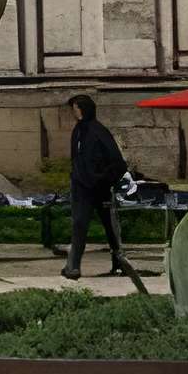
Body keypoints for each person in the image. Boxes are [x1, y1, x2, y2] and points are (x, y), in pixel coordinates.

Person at [61, 93, 135, 281]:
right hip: (81, 188)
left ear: (83, 109)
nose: (73, 112)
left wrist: (102, 179)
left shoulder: (98, 131)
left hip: (98, 188)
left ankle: (120, 263)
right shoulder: (78, 130)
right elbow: (77, 159)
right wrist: (77, 177)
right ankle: (73, 268)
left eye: (75, 108)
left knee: (110, 227)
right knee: (79, 226)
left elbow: (117, 162)